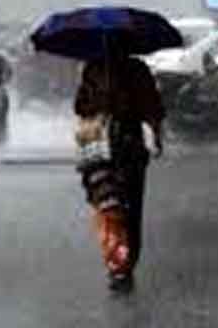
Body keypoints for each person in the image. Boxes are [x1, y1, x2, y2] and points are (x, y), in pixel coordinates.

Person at [74, 46, 164, 293]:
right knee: (129, 209)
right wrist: (156, 135)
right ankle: (125, 264)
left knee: (109, 207)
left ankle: (119, 265)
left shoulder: (94, 69)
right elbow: (153, 109)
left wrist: (102, 100)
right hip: (126, 148)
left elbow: (80, 106)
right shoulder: (134, 69)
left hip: (108, 150)